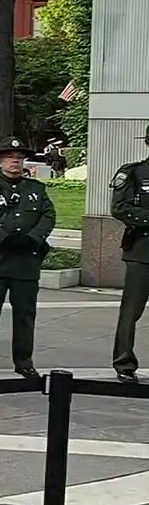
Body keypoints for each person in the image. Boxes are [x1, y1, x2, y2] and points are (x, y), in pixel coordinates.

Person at [0, 136, 56, 378]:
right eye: (9, 158)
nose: (14, 162)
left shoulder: (36, 189)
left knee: (25, 316)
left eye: (18, 158)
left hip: (25, 261)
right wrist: (3, 238)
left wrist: (33, 238)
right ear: (0, 162)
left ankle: (24, 362)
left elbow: (48, 216)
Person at [110, 124, 149, 384]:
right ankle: (124, 362)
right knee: (131, 311)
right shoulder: (133, 173)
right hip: (142, 250)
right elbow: (120, 207)